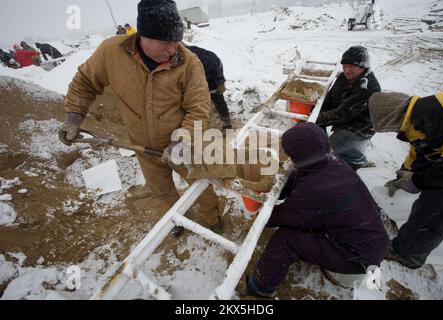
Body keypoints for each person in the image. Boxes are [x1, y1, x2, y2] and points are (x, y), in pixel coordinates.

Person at [58, 0, 222, 234]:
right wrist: (73, 116)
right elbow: (85, 81)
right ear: (144, 36)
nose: (174, 48)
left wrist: (182, 140)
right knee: (162, 191)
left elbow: (198, 108)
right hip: (143, 147)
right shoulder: (111, 53)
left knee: (200, 186)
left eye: (177, 40)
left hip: (183, 146)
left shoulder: (188, 62)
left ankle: (212, 217)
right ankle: (177, 219)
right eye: (166, 42)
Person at [245, 122, 389, 298]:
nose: (289, 159)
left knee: (286, 239)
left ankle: (260, 287)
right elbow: (302, 180)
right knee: (307, 214)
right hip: (369, 238)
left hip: (356, 258)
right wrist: (277, 189)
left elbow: (284, 216)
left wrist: (258, 211)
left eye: (291, 155)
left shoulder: (315, 189)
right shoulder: (334, 165)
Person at [368, 91, 443, 269]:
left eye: (391, 128)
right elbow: (421, 151)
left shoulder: (438, 120)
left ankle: (409, 254)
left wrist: (418, 181)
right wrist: (404, 173)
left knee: (435, 207)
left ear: (393, 119)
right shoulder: (421, 114)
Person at [316, 45, 381, 170]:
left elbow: (344, 113)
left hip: (362, 125)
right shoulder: (344, 77)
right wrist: (318, 115)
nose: (347, 70)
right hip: (348, 116)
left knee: (337, 142)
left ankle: (359, 160)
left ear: (363, 67)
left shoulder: (366, 87)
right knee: (318, 125)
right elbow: (330, 97)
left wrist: (318, 118)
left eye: (351, 67)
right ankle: (323, 153)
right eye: (344, 66)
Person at [185, 44, 232, 129]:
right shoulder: (178, 57)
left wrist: (220, 81)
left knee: (217, 96)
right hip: (194, 74)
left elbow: (215, 65)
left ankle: (227, 124)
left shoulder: (207, 61)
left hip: (211, 72)